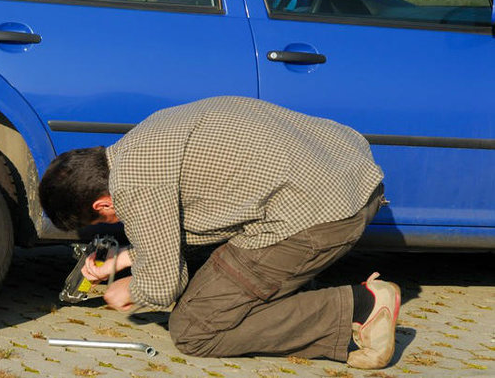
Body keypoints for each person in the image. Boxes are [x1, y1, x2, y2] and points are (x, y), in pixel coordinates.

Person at [38, 96, 400, 369]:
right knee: (219, 285)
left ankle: (360, 307)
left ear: (101, 204)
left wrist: (129, 289)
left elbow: (163, 286)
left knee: (194, 329)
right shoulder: (141, 143)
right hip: (354, 178)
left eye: (102, 221)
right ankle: (292, 297)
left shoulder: (132, 184)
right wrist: (123, 258)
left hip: (319, 216)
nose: (114, 223)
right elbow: (180, 228)